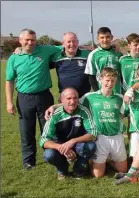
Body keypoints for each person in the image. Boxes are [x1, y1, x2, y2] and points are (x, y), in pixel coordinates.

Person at [45, 68, 128, 177]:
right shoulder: (90, 97)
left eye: (113, 81)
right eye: (107, 80)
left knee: (123, 170)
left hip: (116, 136)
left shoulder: (120, 98)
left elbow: (123, 114)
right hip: (99, 136)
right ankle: (92, 161)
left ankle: (109, 159)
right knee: (97, 175)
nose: (110, 83)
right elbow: (73, 103)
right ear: (100, 79)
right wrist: (54, 106)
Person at [5, 28, 60, 170]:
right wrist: (9, 102)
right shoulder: (14, 58)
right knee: (26, 131)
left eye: (33, 40)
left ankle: (50, 156)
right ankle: (28, 161)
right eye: (27, 40)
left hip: (44, 96)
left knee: (48, 129)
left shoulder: (45, 50)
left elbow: (66, 45)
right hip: (24, 98)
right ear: (20, 40)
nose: (30, 42)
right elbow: (9, 81)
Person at [40, 88, 97, 180]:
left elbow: (93, 133)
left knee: (91, 146)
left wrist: (73, 141)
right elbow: (43, 140)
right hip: (60, 146)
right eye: (69, 98)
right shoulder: (54, 115)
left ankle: (78, 170)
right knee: (48, 155)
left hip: (78, 144)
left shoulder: (84, 111)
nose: (73, 101)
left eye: (75, 98)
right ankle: (62, 170)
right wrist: (61, 147)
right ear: (62, 100)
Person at [51, 32, 91, 99]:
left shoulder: (87, 54)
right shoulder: (56, 57)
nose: (72, 44)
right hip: (65, 97)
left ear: (78, 42)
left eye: (74, 41)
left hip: (84, 97)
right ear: (63, 43)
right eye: (69, 42)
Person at [84, 27, 123, 94]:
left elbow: (122, 74)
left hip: (117, 92)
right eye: (102, 37)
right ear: (98, 39)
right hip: (102, 92)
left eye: (107, 37)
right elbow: (91, 76)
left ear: (112, 37)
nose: (105, 40)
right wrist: (97, 92)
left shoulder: (118, 53)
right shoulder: (93, 55)